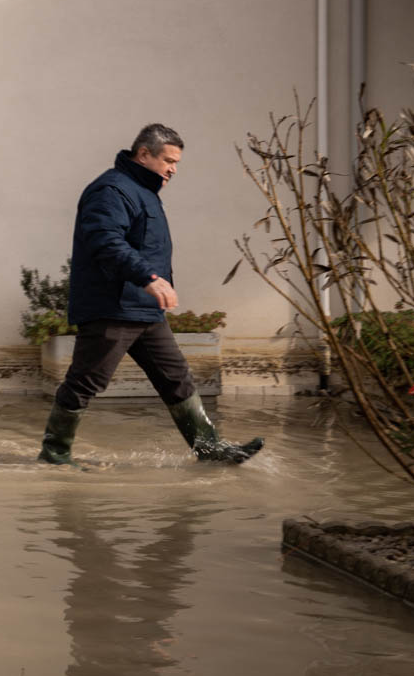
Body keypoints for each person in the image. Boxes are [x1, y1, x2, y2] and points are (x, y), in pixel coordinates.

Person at [38, 124, 264, 467]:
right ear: (144, 154)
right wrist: (148, 278)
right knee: (86, 381)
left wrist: (152, 286)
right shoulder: (111, 190)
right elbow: (106, 241)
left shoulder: (143, 191)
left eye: (177, 162)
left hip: (144, 310)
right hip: (113, 307)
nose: (173, 169)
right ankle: (55, 453)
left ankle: (210, 448)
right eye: (168, 160)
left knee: (176, 377)